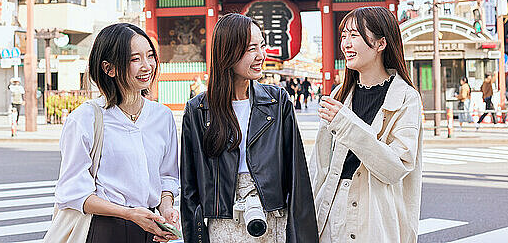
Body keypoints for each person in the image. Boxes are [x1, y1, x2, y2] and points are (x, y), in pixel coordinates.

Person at [181, 13, 318, 243]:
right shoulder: (198, 110)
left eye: (262, 46)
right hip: (223, 224)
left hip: (271, 217)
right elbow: (189, 188)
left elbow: (297, 178)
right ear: (227, 52)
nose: (261, 56)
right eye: (251, 49)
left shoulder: (277, 102)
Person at [54, 23, 180, 243]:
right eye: (134, 59)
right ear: (109, 68)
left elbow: (167, 176)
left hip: (150, 228)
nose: (147, 66)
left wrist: (167, 208)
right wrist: (129, 214)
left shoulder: (163, 116)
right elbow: (73, 192)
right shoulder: (85, 119)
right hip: (103, 229)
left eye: (150, 56)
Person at [311, 6, 423, 243]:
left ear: (381, 44)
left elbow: (396, 167)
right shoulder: (339, 95)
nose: (346, 44)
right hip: (331, 213)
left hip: (375, 216)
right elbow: (319, 168)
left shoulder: (406, 97)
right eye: (343, 36)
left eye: (354, 35)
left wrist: (346, 124)